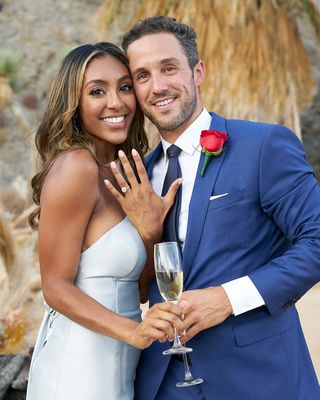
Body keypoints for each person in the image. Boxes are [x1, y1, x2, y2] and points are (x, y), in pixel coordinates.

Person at [115, 16, 320, 399]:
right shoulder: (138, 176)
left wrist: (228, 299)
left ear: (198, 71)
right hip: (161, 383)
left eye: (168, 68)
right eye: (142, 76)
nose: (157, 86)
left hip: (258, 379)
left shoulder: (263, 146)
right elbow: (140, 286)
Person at [26, 42, 185, 400]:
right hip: (78, 367)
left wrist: (149, 231)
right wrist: (134, 332)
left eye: (125, 87)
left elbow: (141, 289)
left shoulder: (125, 172)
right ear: (74, 102)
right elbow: (55, 288)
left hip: (120, 363)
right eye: (97, 91)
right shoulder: (75, 168)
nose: (117, 102)